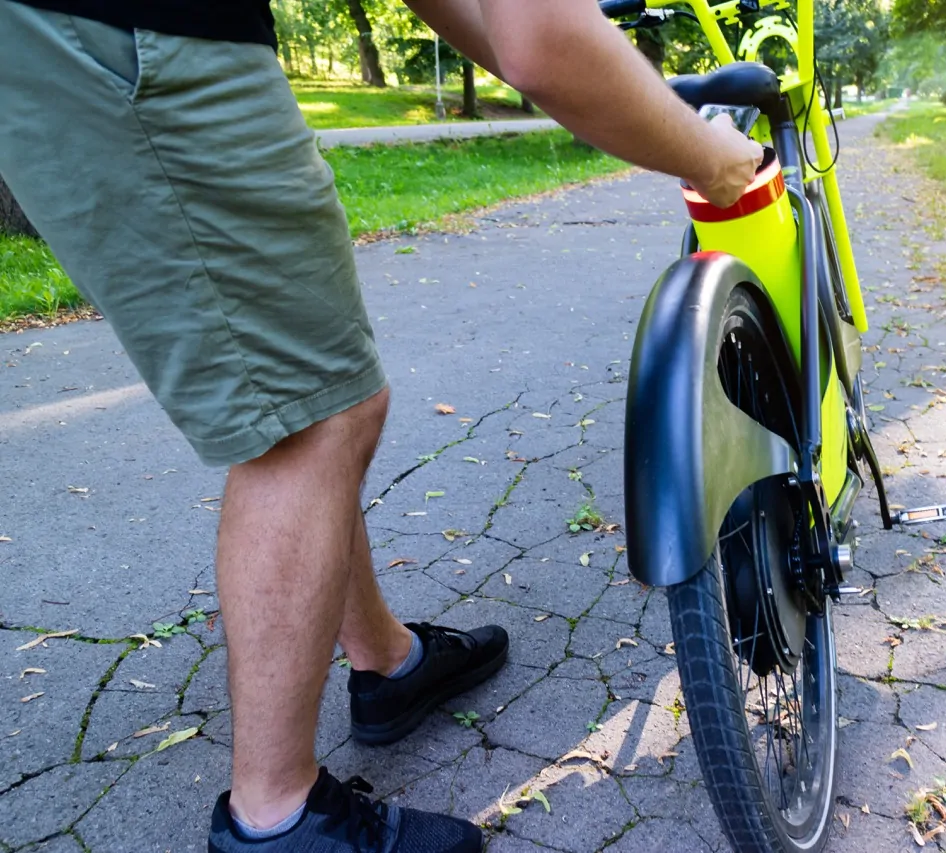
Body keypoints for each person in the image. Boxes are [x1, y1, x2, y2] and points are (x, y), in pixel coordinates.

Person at [0, 0, 763, 850]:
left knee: (320, 393)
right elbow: (541, 39)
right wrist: (715, 155)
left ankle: (388, 667)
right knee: (310, 421)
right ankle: (277, 818)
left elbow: (478, 20)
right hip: (136, 35)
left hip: (107, 36)